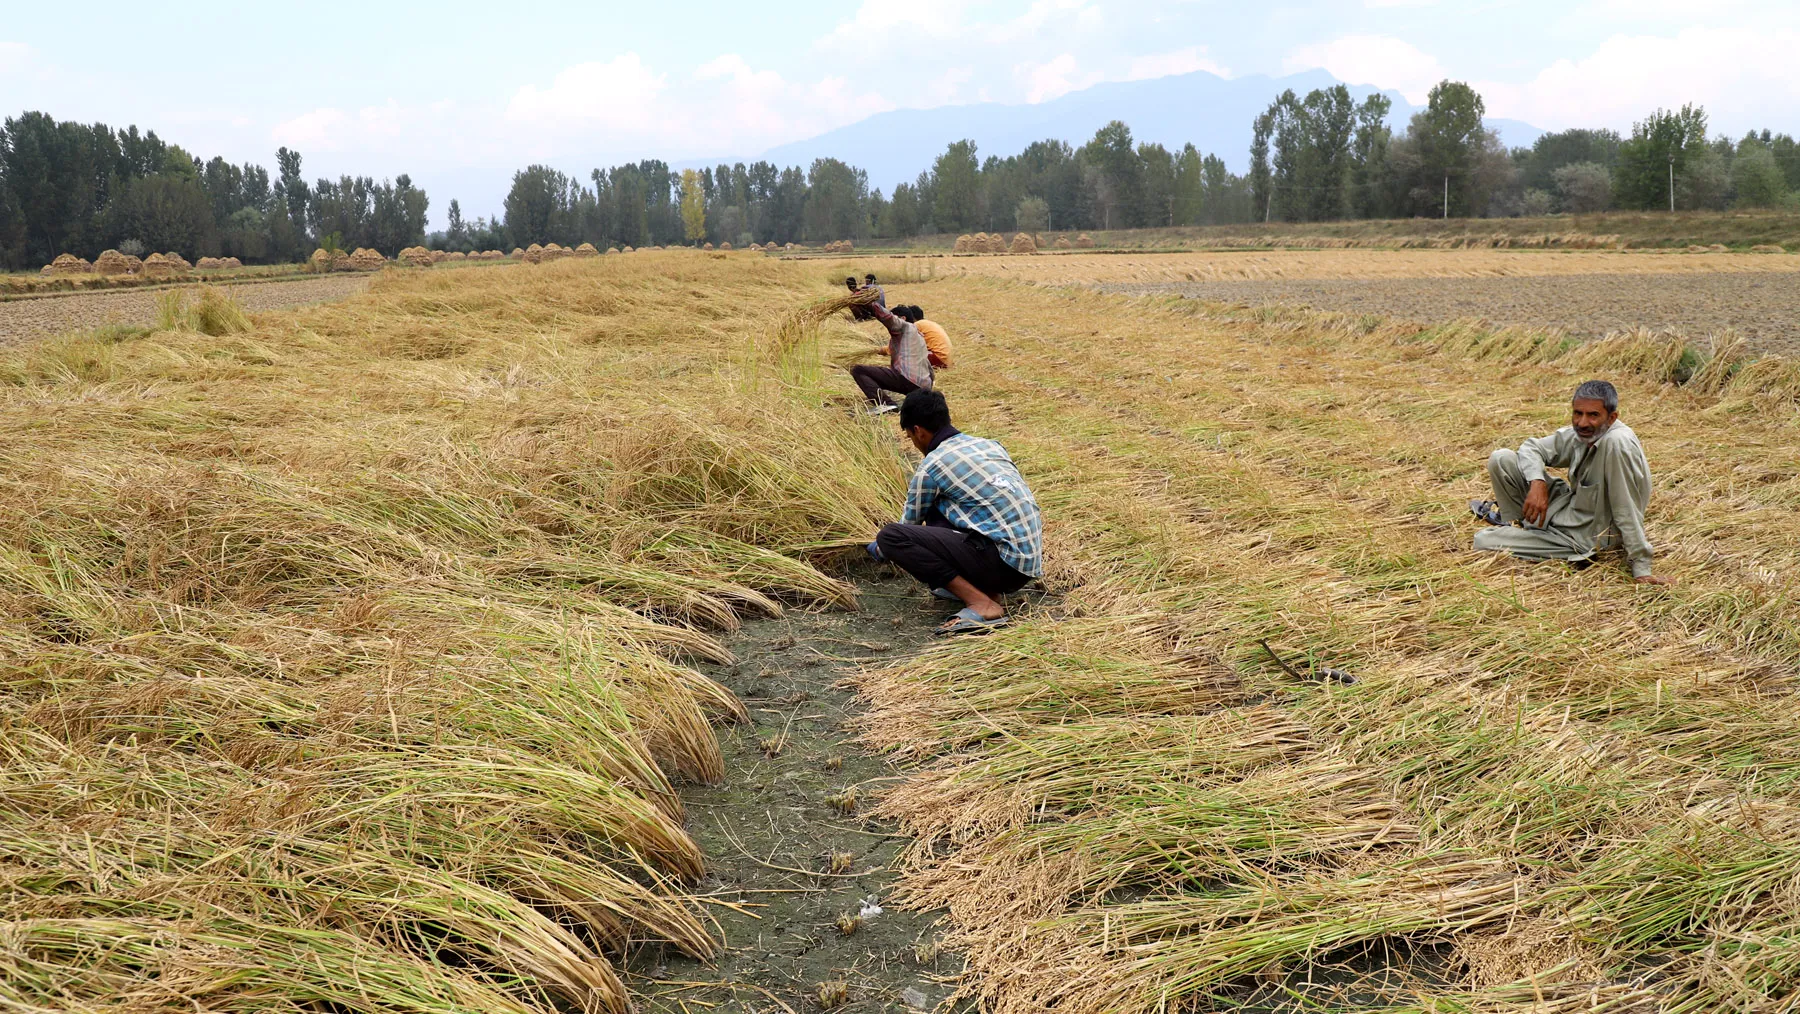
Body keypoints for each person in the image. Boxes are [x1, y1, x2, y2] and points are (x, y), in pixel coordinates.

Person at [869, 390, 1042, 634]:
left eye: (910, 437)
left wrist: (878, 547)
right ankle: (987, 591)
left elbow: (909, 525)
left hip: (1002, 565)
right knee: (941, 505)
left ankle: (981, 603)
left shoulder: (932, 465)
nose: (914, 443)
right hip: (1026, 563)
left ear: (918, 431)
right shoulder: (989, 445)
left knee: (890, 536)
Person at [1470, 379, 1672, 585]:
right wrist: (1537, 482)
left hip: (1586, 536)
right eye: (1578, 413)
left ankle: (1527, 536)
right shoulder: (1585, 432)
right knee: (1502, 459)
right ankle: (1519, 524)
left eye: (1593, 415)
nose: (1583, 422)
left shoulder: (1616, 444)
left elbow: (1626, 507)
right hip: (1568, 510)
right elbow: (1531, 448)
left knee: (1483, 539)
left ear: (1611, 418)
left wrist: (1641, 568)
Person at [848, 300, 932, 413]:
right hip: (922, 387)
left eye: (896, 317)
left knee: (858, 370)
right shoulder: (919, 337)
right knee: (879, 375)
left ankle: (886, 404)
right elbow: (929, 368)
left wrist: (871, 303)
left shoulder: (905, 327)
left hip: (908, 380)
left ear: (903, 318)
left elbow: (888, 318)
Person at [898, 305, 952, 369]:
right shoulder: (929, 323)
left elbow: (901, 345)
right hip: (946, 360)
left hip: (938, 358)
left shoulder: (917, 325)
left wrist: (884, 350)